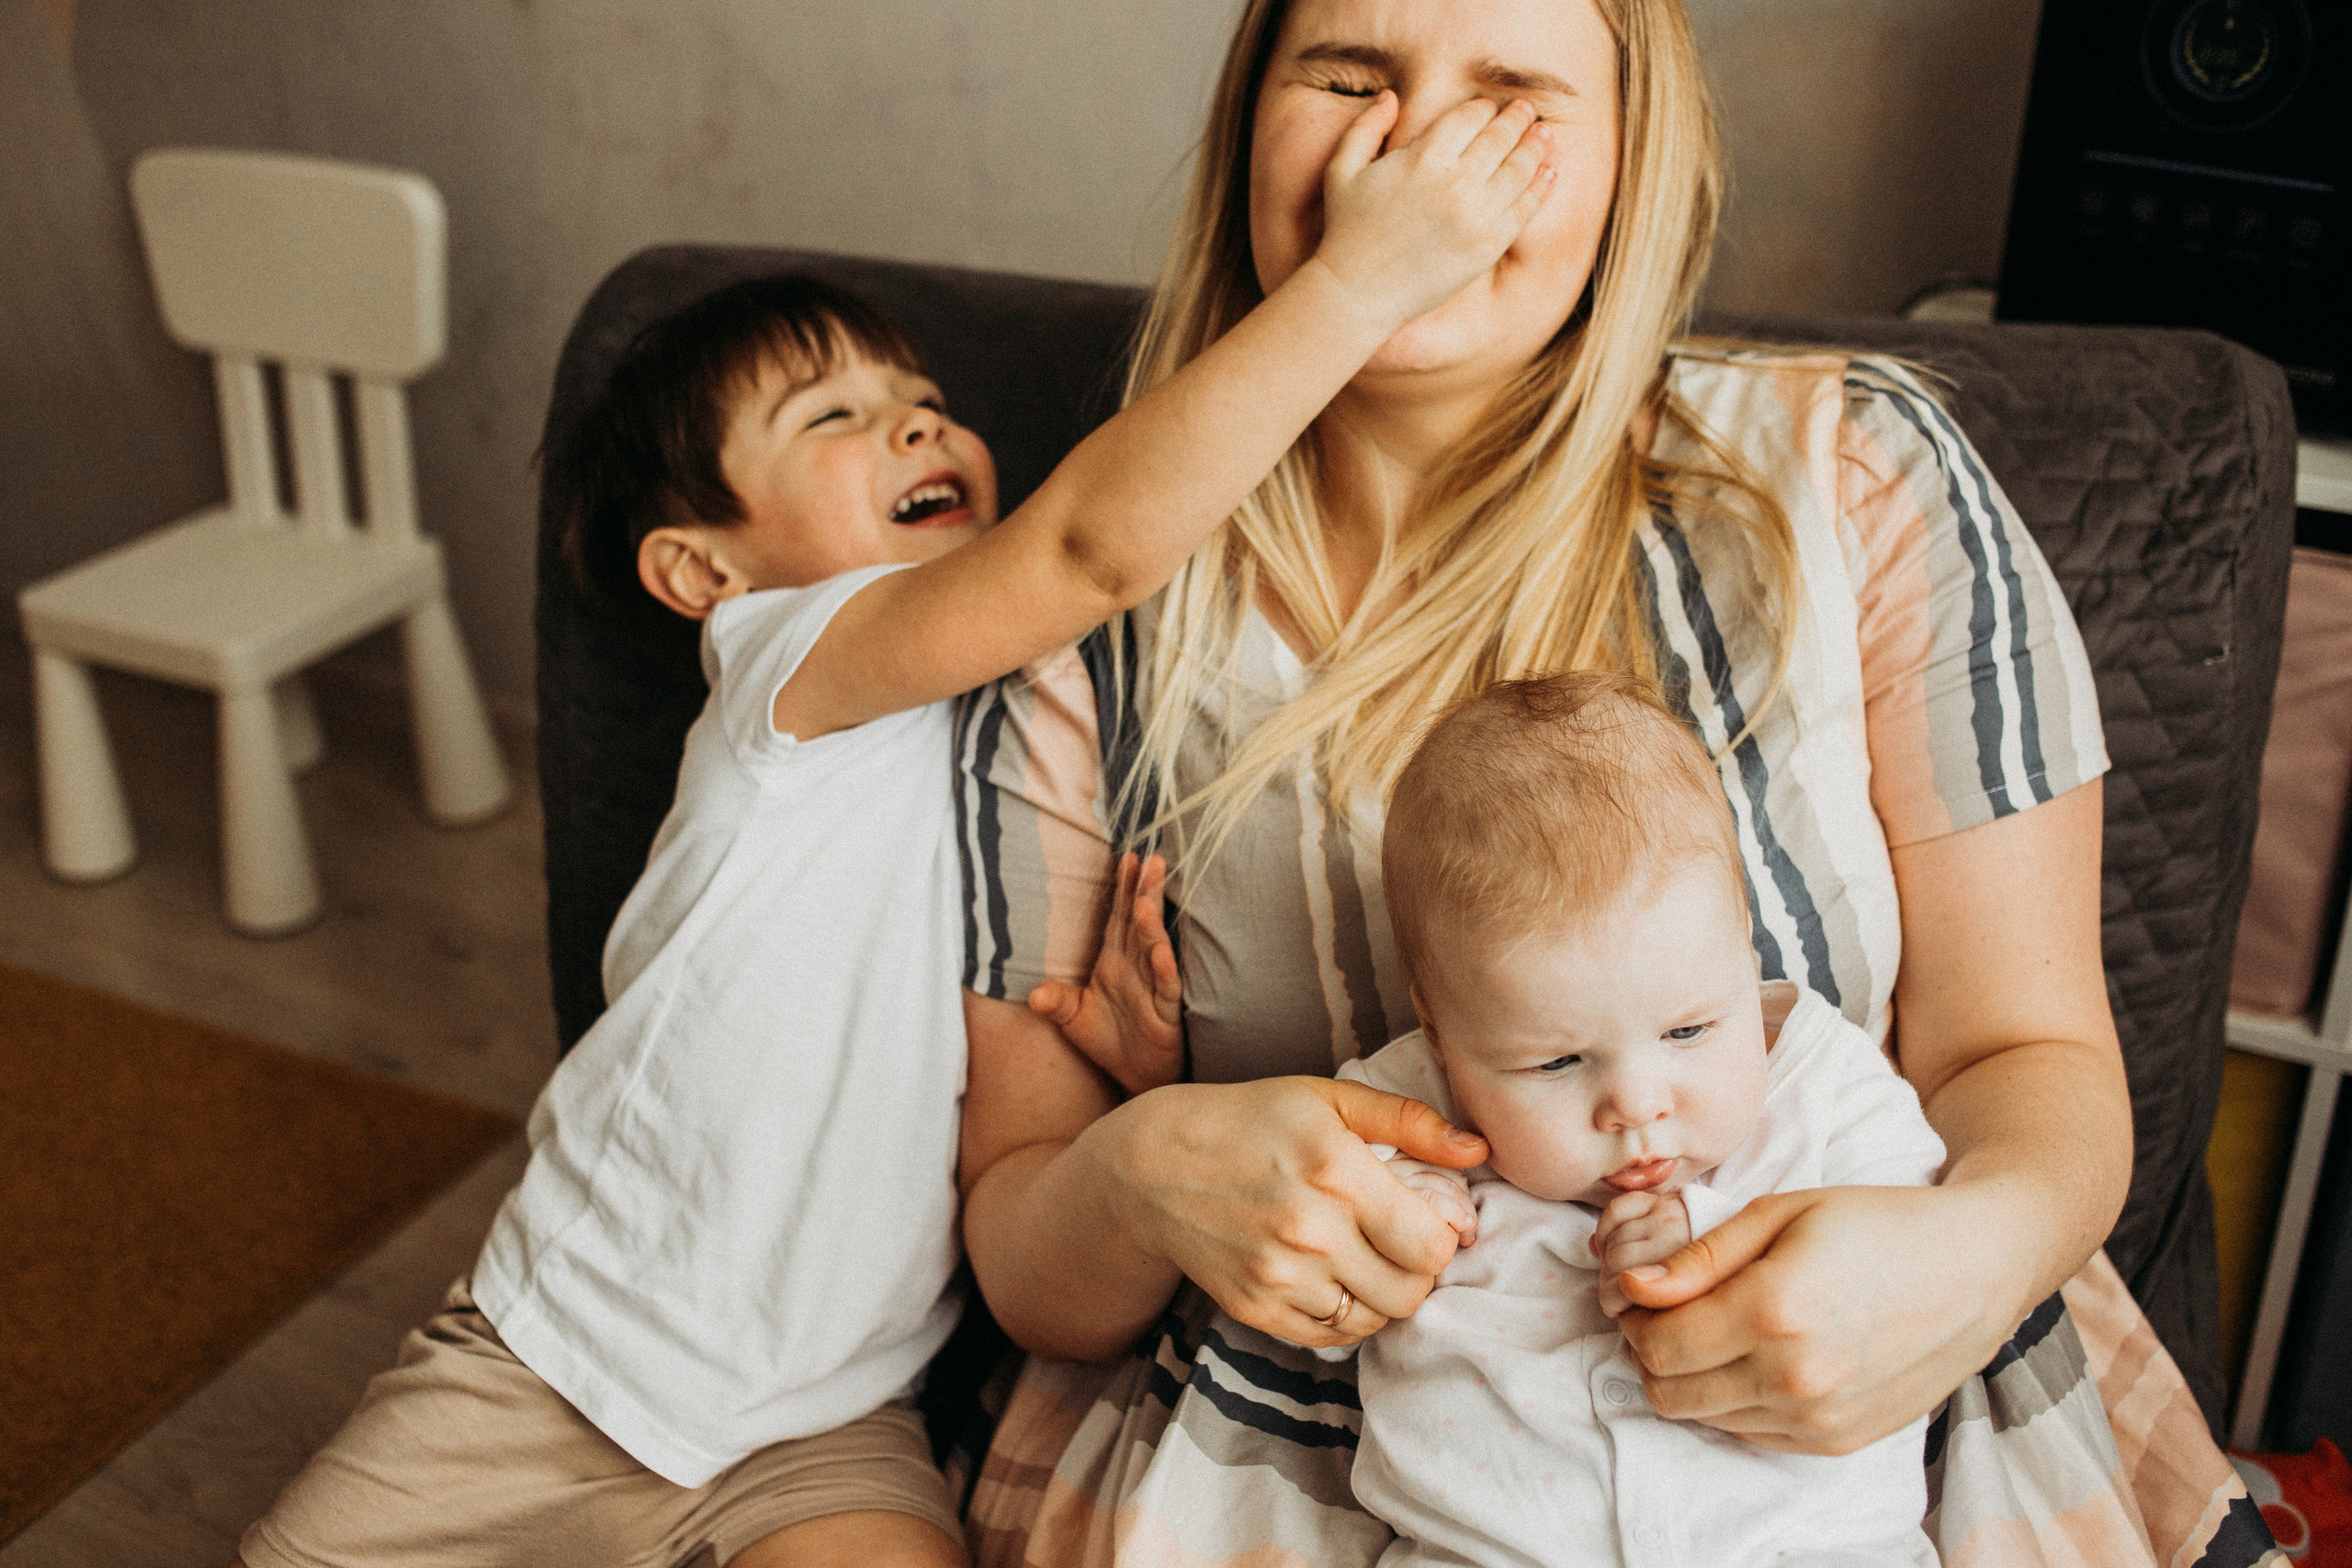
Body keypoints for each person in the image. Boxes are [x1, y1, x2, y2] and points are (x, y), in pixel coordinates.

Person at [952, 0, 2260, 1562]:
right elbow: (1028, 1259)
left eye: (1511, 91)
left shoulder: (1858, 479)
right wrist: (1140, 1170)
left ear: (1635, 163)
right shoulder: (1075, 610)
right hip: (1294, 1479)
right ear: (1248, 127)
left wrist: (1966, 1262)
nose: (1417, 155)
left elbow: (2031, 1052)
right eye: (1349, 75)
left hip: (1874, 1450)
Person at [232, 89, 1557, 1568]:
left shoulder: (1036, 717)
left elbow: (1005, 1085)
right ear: (700, 569)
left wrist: (1114, 1059)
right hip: (564, 1352)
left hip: (830, 1418)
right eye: (837, 417)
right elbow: (1085, 545)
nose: (916, 419)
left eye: (916, 394)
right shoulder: (784, 663)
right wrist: (1369, 273)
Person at [1324, 672, 1946, 1566]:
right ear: (1440, 1032)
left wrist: (1722, 1240)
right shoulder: (1408, 1108)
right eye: (1557, 1062)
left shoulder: (1827, 1090)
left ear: (1743, 948)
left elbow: (1914, 1246)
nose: (1637, 1103)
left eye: (1688, 1029)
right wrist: (1389, 1212)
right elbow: (1311, 1211)